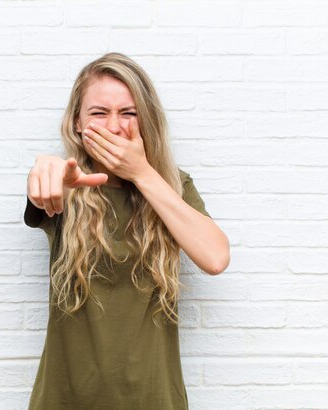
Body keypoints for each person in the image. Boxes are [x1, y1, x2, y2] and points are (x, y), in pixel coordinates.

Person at [24, 52, 230, 410]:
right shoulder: (65, 185)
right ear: (76, 122)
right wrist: (45, 169)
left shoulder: (172, 187)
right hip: (65, 400)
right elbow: (46, 187)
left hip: (154, 399)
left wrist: (141, 173)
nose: (114, 126)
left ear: (145, 119)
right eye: (99, 113)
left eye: (128, 113)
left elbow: (215, 258)